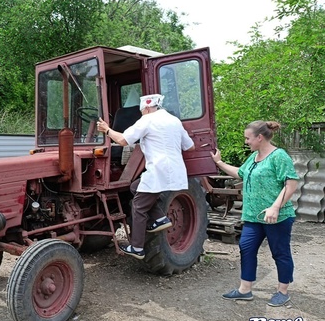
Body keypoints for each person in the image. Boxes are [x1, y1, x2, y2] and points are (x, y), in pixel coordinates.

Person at [211, 120, 299, 307]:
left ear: (259, 137)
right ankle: (245, 290)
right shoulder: (254, 157)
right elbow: (241, 173)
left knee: (280, 253)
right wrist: (219, 162)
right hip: (253, 216)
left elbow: (290, 184)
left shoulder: (279, 156)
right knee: (246, 248)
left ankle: (282, 291)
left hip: (277, 217)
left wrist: (275, 207)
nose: (246, 142)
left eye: (248, 138)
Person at [97, 94, 195, 260]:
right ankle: (160, 218)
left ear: (147, 108)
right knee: (135, 187)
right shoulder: (174, 121)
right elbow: (190, 146)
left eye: (142, 111)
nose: (142, 113)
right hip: (175, 171)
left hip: (157, 171)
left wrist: (106, 129)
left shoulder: (147, 120)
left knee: (139, 206)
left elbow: (122, 140)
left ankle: (137, 247)